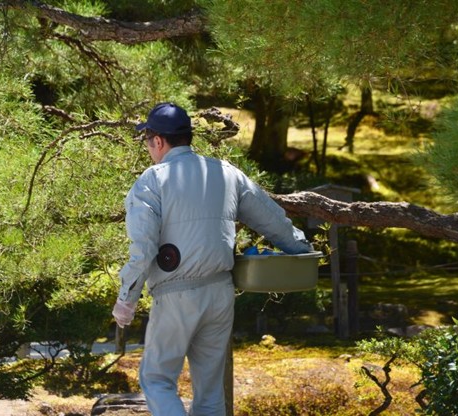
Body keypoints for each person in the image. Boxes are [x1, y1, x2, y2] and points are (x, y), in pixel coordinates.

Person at [112, 102, 313, 416]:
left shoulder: (151, 181)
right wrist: (303, 250)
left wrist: (126, 299)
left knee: (156, 379)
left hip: (175, 295)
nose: (148, 148)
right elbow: (272, 220)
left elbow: (143, 249)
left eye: (147, 141)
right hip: (220, 294)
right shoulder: (225, 172)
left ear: (159, 141)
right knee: (209, 393)